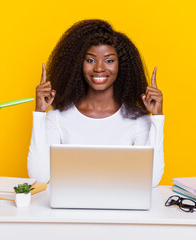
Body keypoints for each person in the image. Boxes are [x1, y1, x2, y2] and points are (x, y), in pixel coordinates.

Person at [27, 19, 165, 187]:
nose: (99, 68)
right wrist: (39, 113)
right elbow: (39, 176)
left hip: (120, 209)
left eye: (109, 61)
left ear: (122, 65)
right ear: (78, 63)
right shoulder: (58, 116)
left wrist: (157, 118)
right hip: (68, 210)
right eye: (91, 60)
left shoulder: (137, 119)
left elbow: (151, 181)